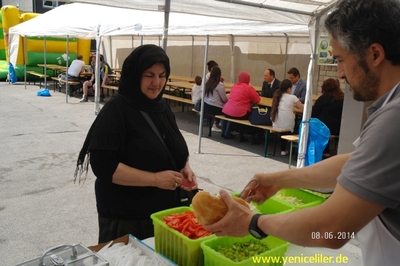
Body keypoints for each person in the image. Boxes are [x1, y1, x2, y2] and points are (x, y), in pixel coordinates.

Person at [203, 1, 400, 265]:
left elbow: (331, 229)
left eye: (341, 59)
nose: (340, 73)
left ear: (375, 54)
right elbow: (356, 163)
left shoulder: (393, 119)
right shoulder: (390, 108)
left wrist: (254, 223)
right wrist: (280, 179)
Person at [74, 44, 198, 243]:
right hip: (128, 219)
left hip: (164, 215)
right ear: (135, 74)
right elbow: (104, 166)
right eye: (149, 75)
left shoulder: (161, 106)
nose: (156, 82)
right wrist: (156, 179)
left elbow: (170, 144)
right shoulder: (116, 110)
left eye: (162, 75)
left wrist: (184, 166)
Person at [222, 71, 261, 144]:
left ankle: (241, 135)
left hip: (227, 112)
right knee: (254, 115)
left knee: (241, 113)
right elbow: (257, 100)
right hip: (240, 114)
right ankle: (253, 136)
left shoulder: (234, 86)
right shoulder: (249, 88)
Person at [311, 78, 344, 157]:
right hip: (339, 128)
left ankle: (321, 151)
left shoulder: (323, 99)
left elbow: (314, 114)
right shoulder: (342, 99)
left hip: (324, 128)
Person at [270, 79, 304, 155]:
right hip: (287, 124)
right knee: (296, 122)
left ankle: (283, 149)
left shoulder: (277, 95)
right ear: (289, 88)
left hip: (276, 122)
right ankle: (292, 149)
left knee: (284, 121)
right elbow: (303, 109)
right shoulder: (293, 97)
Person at [203, 66, 228, 133]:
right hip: (215, 108)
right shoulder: (219, 85)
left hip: (206, 106)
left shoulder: (208, 83)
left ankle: (217, 123)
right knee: (227, 109)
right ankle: (216, 124)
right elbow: (224, 99)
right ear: (219, 75)